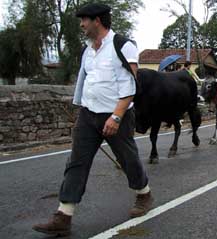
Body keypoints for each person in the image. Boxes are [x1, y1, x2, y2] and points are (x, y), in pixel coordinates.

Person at [32, 3, 153, 236]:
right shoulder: (87, 50)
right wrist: (80, 110)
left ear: (97, 20)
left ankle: (144, 193)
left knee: (127, 159)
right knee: (76, 162)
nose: (81, 24)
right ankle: (63, 216)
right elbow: (87, 81)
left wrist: (116, 117)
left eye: (84, 20)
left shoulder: (122, 46)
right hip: (88, 116)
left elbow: (129, 86)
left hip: (117, 114)